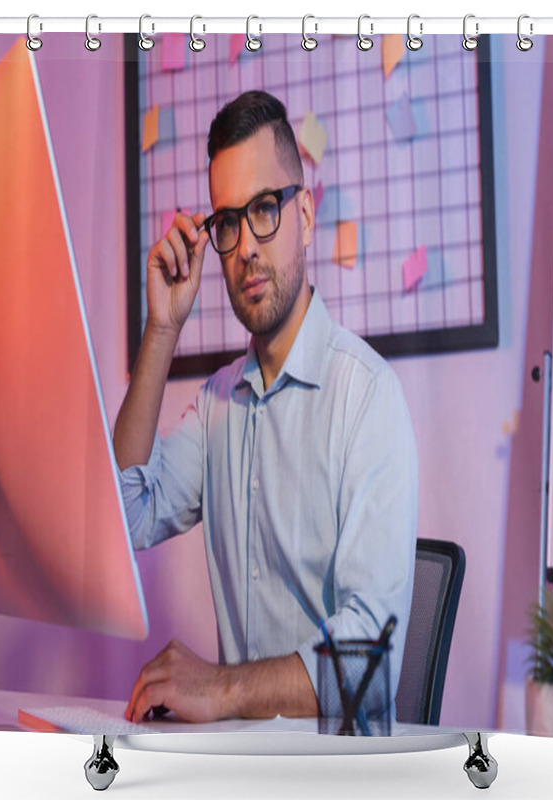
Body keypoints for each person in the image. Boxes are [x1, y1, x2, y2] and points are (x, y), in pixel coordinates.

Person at [114, 91, 419, 724]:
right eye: (228, 221)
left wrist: (220, 689)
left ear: (305, 215)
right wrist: (162, 330)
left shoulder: (366, 396)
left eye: (264, 210)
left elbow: (370, 662)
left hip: (338, 780)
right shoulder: (219, 403)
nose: (247, 245)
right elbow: (125, 515)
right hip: (238, 769)